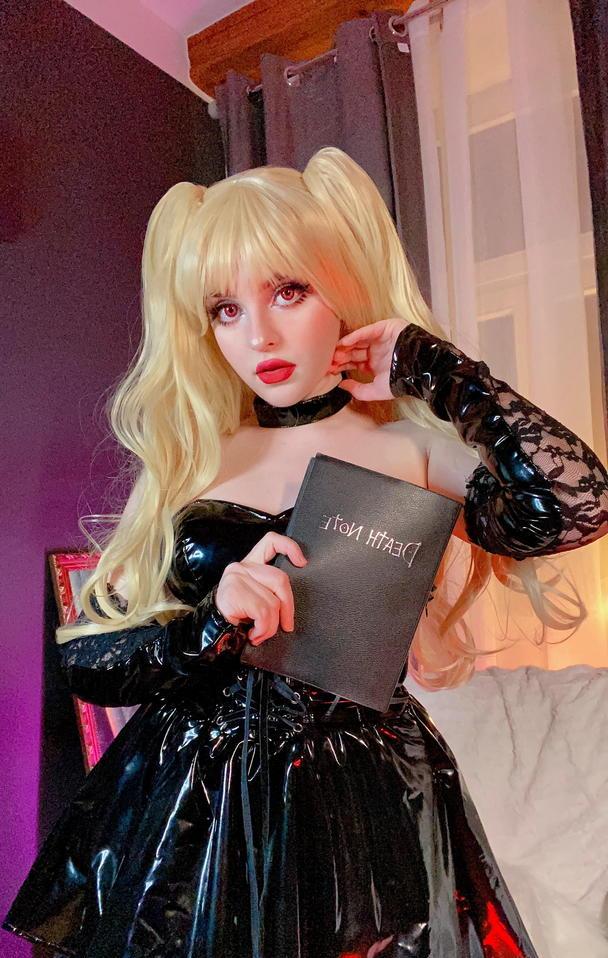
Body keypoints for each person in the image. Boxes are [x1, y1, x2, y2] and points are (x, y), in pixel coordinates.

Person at [3, 147, 608, 958]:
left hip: (363, 793)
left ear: (343, 292)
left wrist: (440, 372)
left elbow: (573, 508)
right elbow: (92, 665)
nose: (259, 334)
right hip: (197, 800)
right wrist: (210, 621)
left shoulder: (410, 451)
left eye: (289, 291)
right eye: (225, 309)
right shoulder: (193, 457)